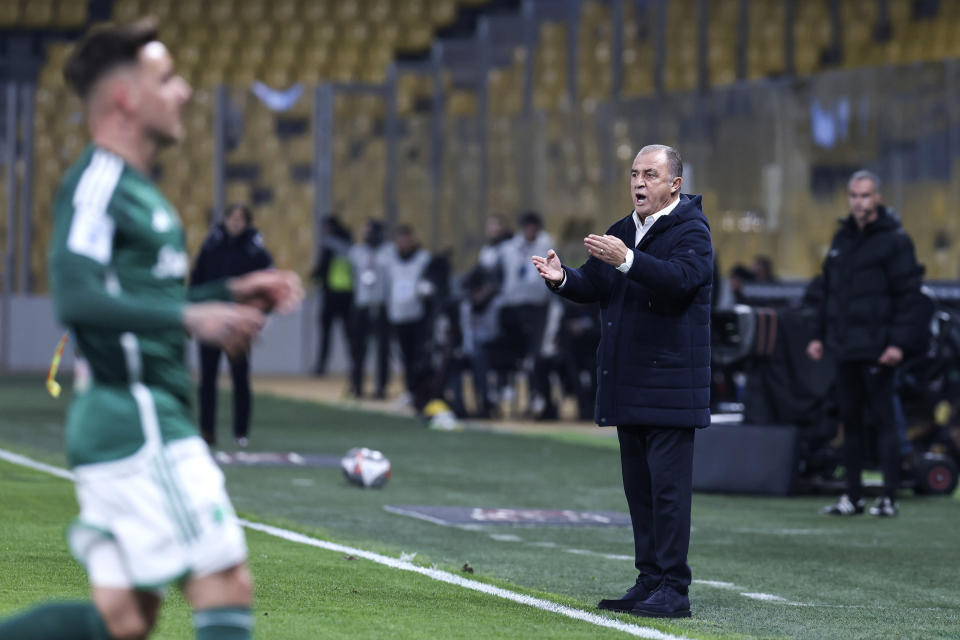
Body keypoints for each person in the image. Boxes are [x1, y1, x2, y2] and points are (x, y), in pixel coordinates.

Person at [0, 19, 302, 640]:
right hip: (137, 416)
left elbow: (137, 300)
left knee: (125, 620)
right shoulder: (99, 184)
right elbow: (77, 295)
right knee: (225, 583)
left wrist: (226, 292)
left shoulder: (140, 193)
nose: (186, 91)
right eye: (167, 78)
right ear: (125, 99)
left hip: (125, 418)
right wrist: (192, 316)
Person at [533, 144, 712, 618]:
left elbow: (681, 280)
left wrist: (628, 260)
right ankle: (649, 579)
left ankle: (675, 590)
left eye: (650, 175)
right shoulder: (623, 231)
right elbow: (594, 284)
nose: (638, 183)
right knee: (641, 493)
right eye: (634, 174)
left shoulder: (692, 230)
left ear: (675, 184)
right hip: (630, 385)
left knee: (669, 495)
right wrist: (560, 278)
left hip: (670, 387)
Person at [808, 169, 928, 518]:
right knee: (851, 422)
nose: (859, 202)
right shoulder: (842, 239)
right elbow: (827, 291)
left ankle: (889, 497)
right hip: (845, 347)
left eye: (865, 195)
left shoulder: (895, 240)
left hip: (879, 348)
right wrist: (819, 335)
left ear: (877, 198)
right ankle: (854, 496)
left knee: (885, 422)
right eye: (854, 195)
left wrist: (898, 344)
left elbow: (909, 297)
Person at [191, 203, 273, 448]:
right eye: (232, 218)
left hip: (239, 324)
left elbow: (266, 284)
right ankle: (207, 430)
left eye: (240, 219)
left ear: (247, 222)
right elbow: (197, 278)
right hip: (210, 320)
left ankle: (241, 432)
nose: (236, 223)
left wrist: (254, 316)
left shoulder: (255, 250)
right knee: (207, 378)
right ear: (225, 220)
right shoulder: (211, 246)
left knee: (240, 378)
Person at [382, 224, 433, 397]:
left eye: (406, 239)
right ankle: (410, 389)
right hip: (398, 314)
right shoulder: (390, 260)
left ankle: (420, 389)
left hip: (417, 314)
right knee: (404, 356)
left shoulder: (422, 259)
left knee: (419, 355)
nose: (403, 243)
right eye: (400, 240)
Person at [347, 218, 390, 398]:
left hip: (382, 304)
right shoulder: (356, 252)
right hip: (362, 304)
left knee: (383, 349)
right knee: (358, 349)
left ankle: (381, 387)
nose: (367, 235)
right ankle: (357, 386)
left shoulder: (389, 251)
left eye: (370, 231)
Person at [312, 214, 353, 376]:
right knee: (349, 335)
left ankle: (321, 367)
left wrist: (315, 275)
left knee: (326, 335)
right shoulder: (349, 245)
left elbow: (323, 268)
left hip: (331, 294)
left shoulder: (329, 245)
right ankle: (355, 366)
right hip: (348, 295)